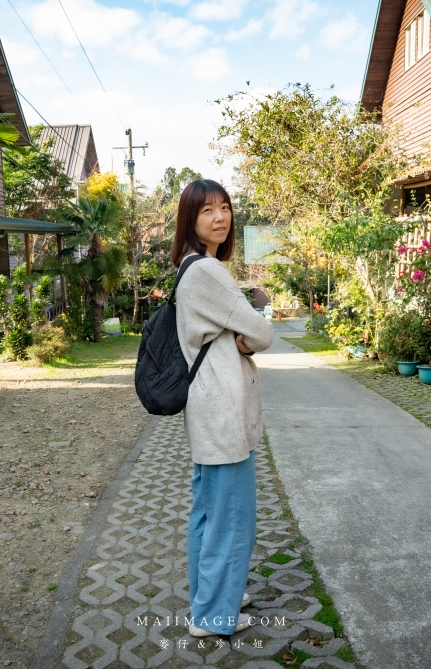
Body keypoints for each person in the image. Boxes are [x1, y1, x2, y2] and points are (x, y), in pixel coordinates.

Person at [171, 179, 274, 638]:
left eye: (226, 207)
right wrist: (249, 336)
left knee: (209, 513)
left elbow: (243, 333)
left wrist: (242, 336)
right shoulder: (208, 273)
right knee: (231, 519)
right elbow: (263, 333)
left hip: (210, 408)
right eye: (207, 209)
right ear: (190, 219)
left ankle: (212, 595)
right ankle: (213, 615)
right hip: (223, 410)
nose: (221, 216)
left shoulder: (191, 267)